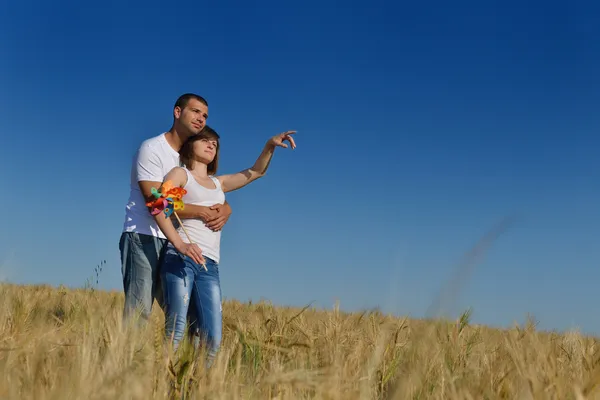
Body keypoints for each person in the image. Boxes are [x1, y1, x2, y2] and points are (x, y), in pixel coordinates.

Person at [151, 125, 297, 365]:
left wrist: (270, 146)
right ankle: (160, 385)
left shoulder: (219, 184)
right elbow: (159, 205)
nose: (211, 145)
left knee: (213, 339)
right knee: (176, 330)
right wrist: (180, 243)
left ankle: (198, 388)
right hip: (181, 258)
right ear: (191, 144)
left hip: (210, 266)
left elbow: (255, 172)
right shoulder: (181, 174)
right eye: (205, 140)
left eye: (215, 144)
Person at [119, 93, 233, 325]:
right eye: (195, 111)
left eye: (205, 115)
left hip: (175, 244)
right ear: (177, 112)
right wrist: (202, 212)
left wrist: (226, 208)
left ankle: (181, 361)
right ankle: (126, 360)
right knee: (139, 312)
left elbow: (208, 189)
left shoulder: (189, 160)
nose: (201, 118)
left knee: (190, 317)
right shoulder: (152, 148)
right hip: (144, 237)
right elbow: (155, 201)